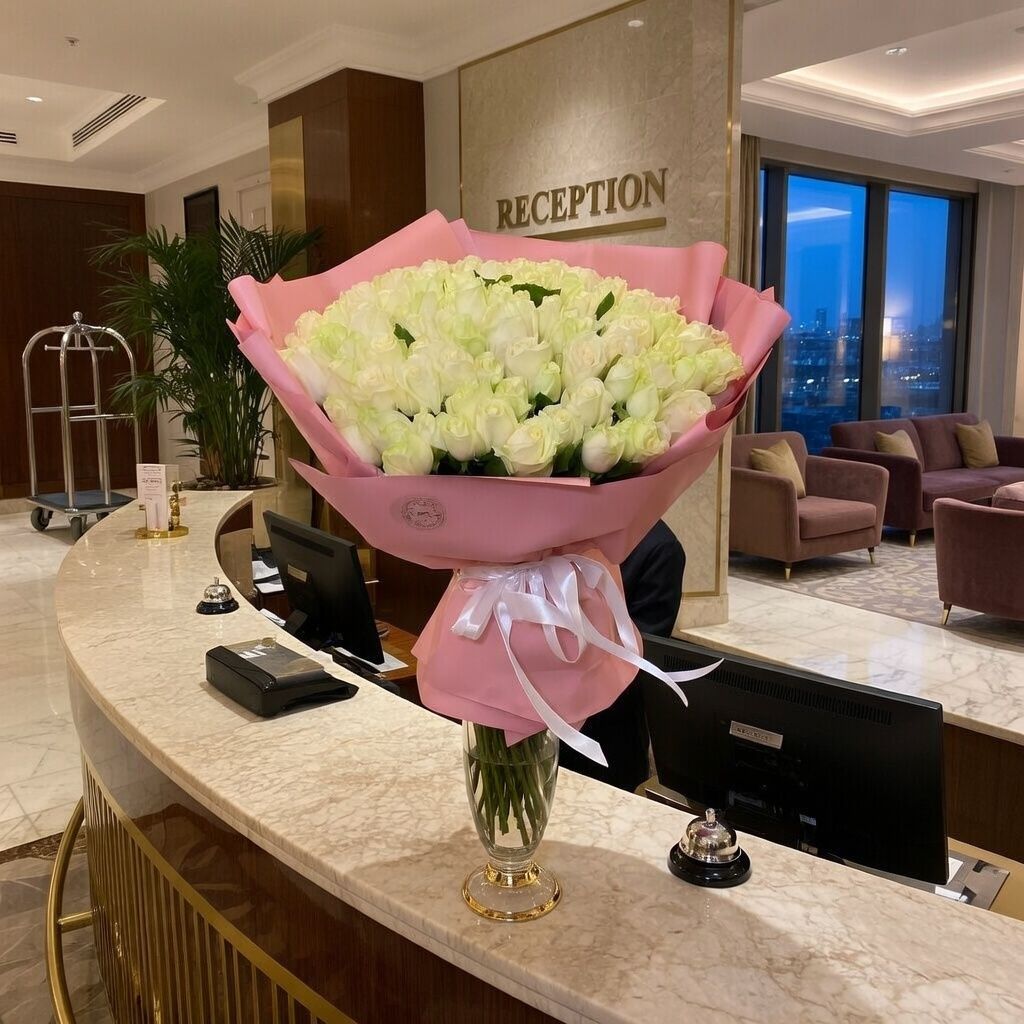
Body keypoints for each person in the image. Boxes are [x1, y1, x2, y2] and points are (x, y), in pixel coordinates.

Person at [560, 520, 685, 791]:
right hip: (536, 723)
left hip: (607, 732)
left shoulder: (659, 547)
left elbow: (639, 655)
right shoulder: (560, 526)